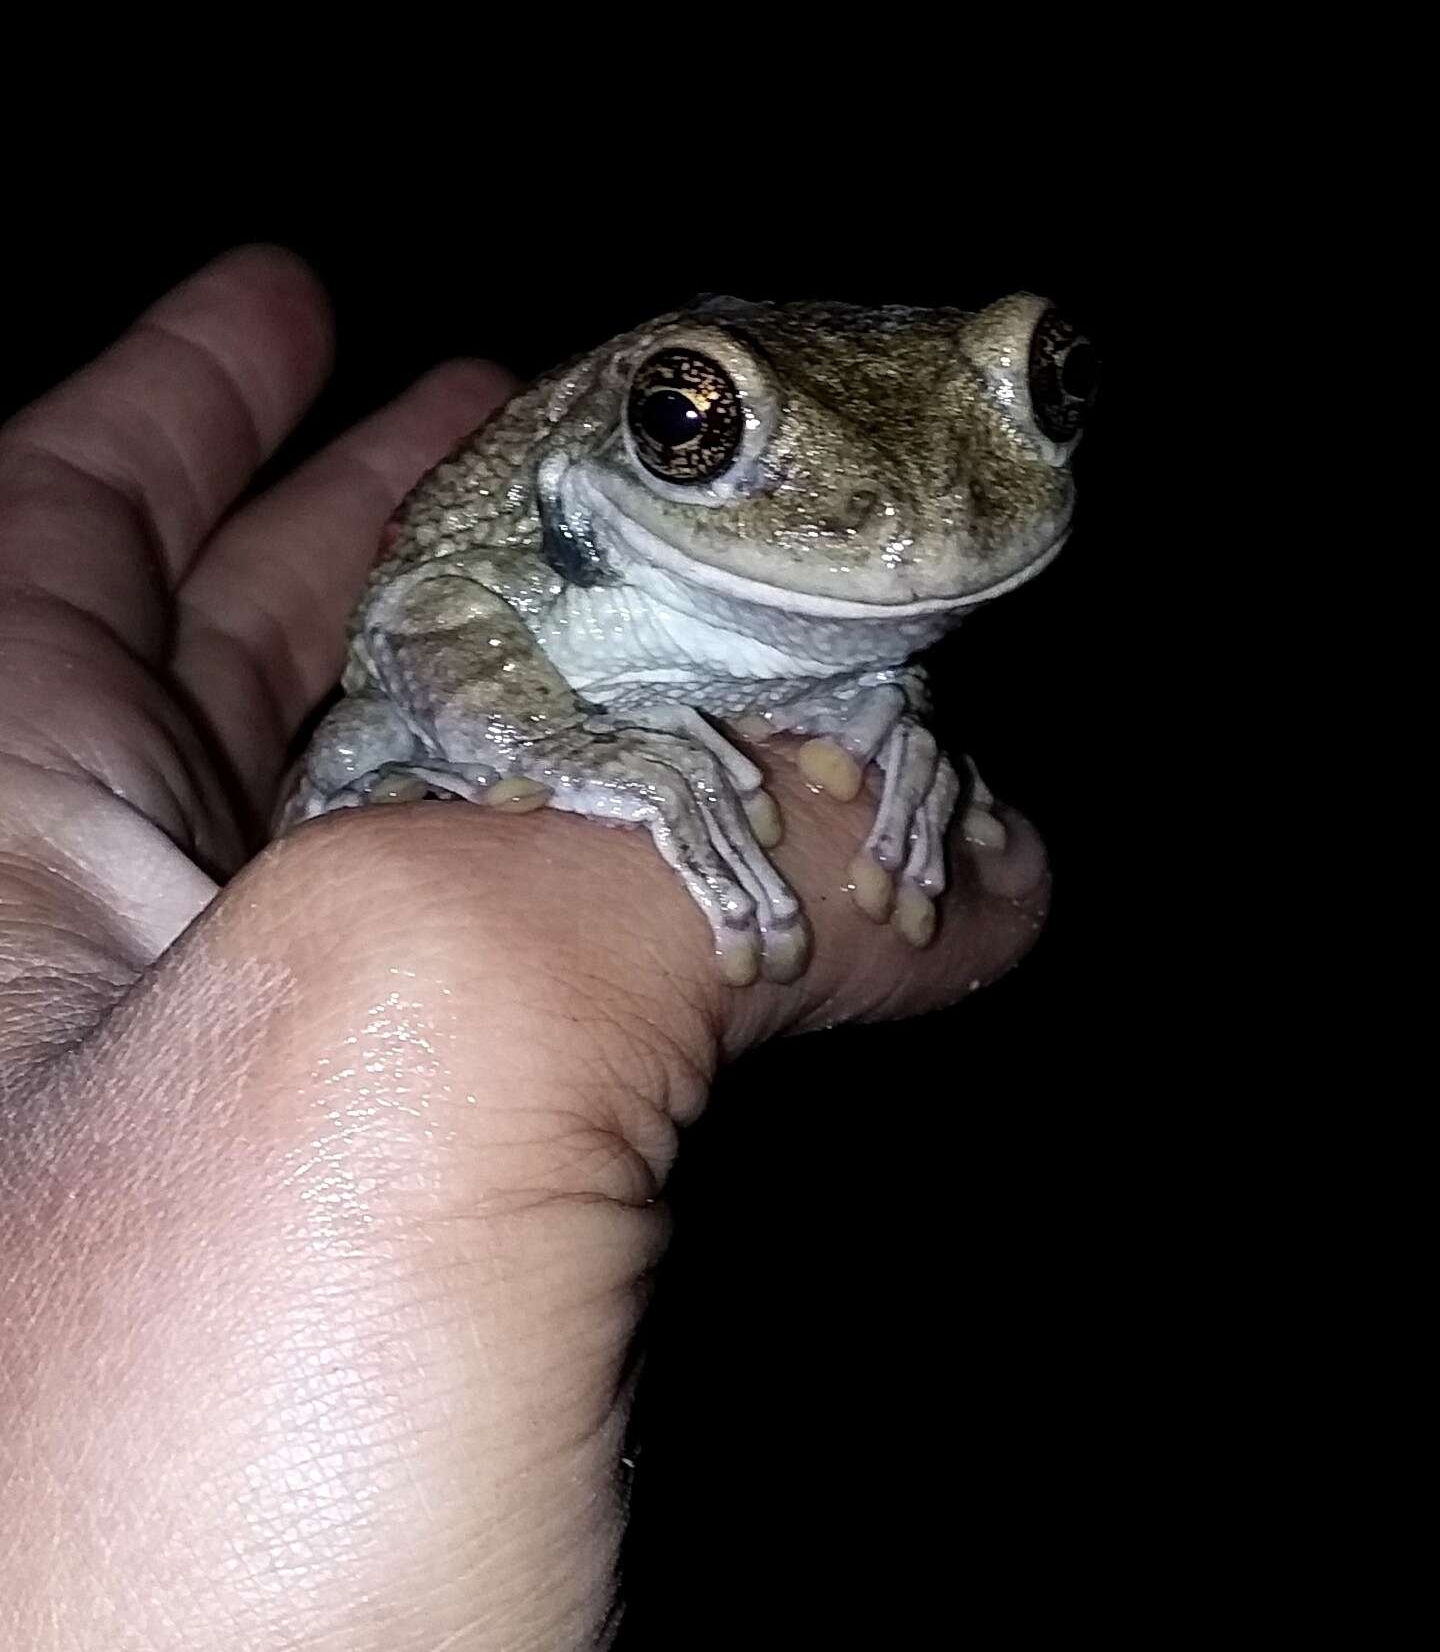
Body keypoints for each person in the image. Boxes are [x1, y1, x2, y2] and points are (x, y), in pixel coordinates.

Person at [0, 247, 1050, 1650]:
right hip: (416, 733)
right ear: (623, 445)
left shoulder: (901, 528)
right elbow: (423, 612)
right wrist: (550, 742)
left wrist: (889, 707)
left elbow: (883, 617)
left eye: (1044, 389)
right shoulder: (561, 537)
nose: (915, 518)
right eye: (693, 426)